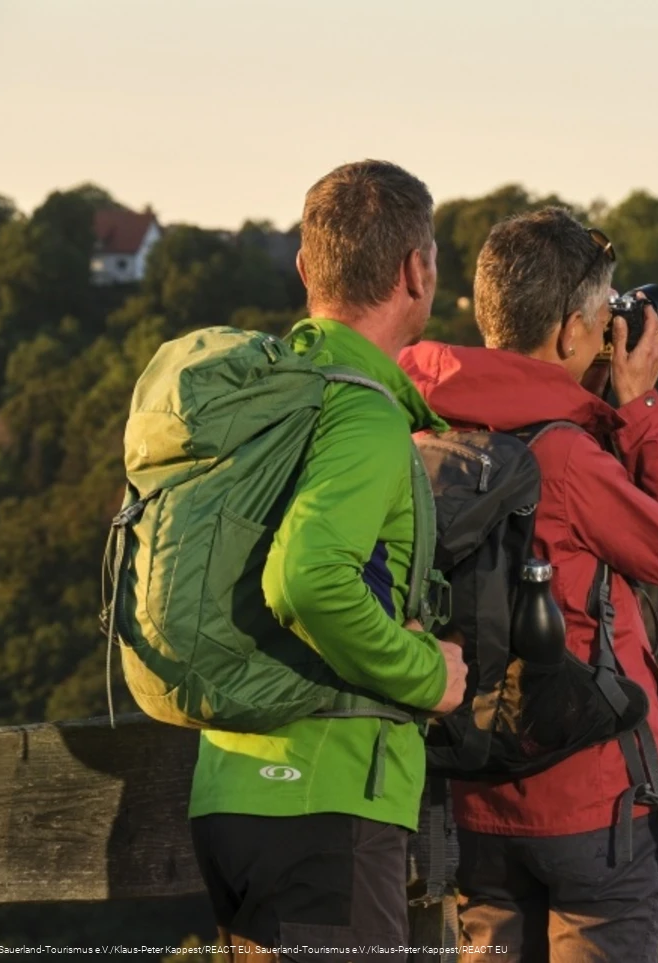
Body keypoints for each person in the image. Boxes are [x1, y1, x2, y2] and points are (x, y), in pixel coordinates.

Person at [400, 207, 658, 962]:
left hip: (477, 796)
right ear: (573, 332)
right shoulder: (568, 458)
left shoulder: (423, 427)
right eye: (602, 317)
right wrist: (636, 405)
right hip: (592, 804)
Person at [188, 160, 469, 962]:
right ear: (416, 272)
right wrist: (427, 673)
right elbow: (307, 575)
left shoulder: (269, 395)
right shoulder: (363, 415)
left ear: (308, 270)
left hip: (230, 792)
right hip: (322, 806)